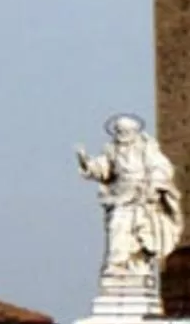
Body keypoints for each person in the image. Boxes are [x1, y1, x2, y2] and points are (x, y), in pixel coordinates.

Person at [77, 114, 183, 284]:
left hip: (141, 195)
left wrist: (153, 184)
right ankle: (116, 265)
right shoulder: (112, 149)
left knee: (138, 232)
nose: (122, 133)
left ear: (134, 131)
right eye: (119, 130)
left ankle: (132, 266)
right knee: (116, 226)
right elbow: (102, 168)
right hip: (120, 195)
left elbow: (161, 167)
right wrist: (86, 161)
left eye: (125, 130)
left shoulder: (147, 148)